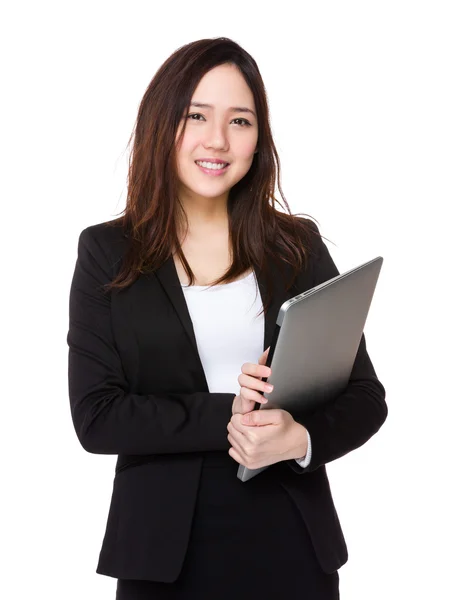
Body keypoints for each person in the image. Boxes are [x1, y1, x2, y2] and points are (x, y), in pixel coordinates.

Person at [67, 37, 388, 599]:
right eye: (196, 115)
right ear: (162, 123)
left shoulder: (296, 246)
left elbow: (365, 396)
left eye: (240, 120)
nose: (217, 140)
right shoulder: (106, 252)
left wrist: (300, 439)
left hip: (292, 543)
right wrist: (228, 415)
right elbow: (97, 418)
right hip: (161, 556)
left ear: (258, 137)